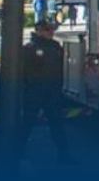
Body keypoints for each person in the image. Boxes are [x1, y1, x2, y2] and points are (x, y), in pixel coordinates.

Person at [20, 20, 74, 164]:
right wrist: (27, 88)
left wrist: (59, 88)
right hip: (35, 91)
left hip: (52, 91)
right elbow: (23, 72)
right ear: (38, 31)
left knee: (57, 124)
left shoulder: (55, 46)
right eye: (47, 30)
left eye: (51, 29)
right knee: (27, 123)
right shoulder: (30, 48)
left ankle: (64, 155)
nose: (51, 32)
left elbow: (60, 68)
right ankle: (18, 151)